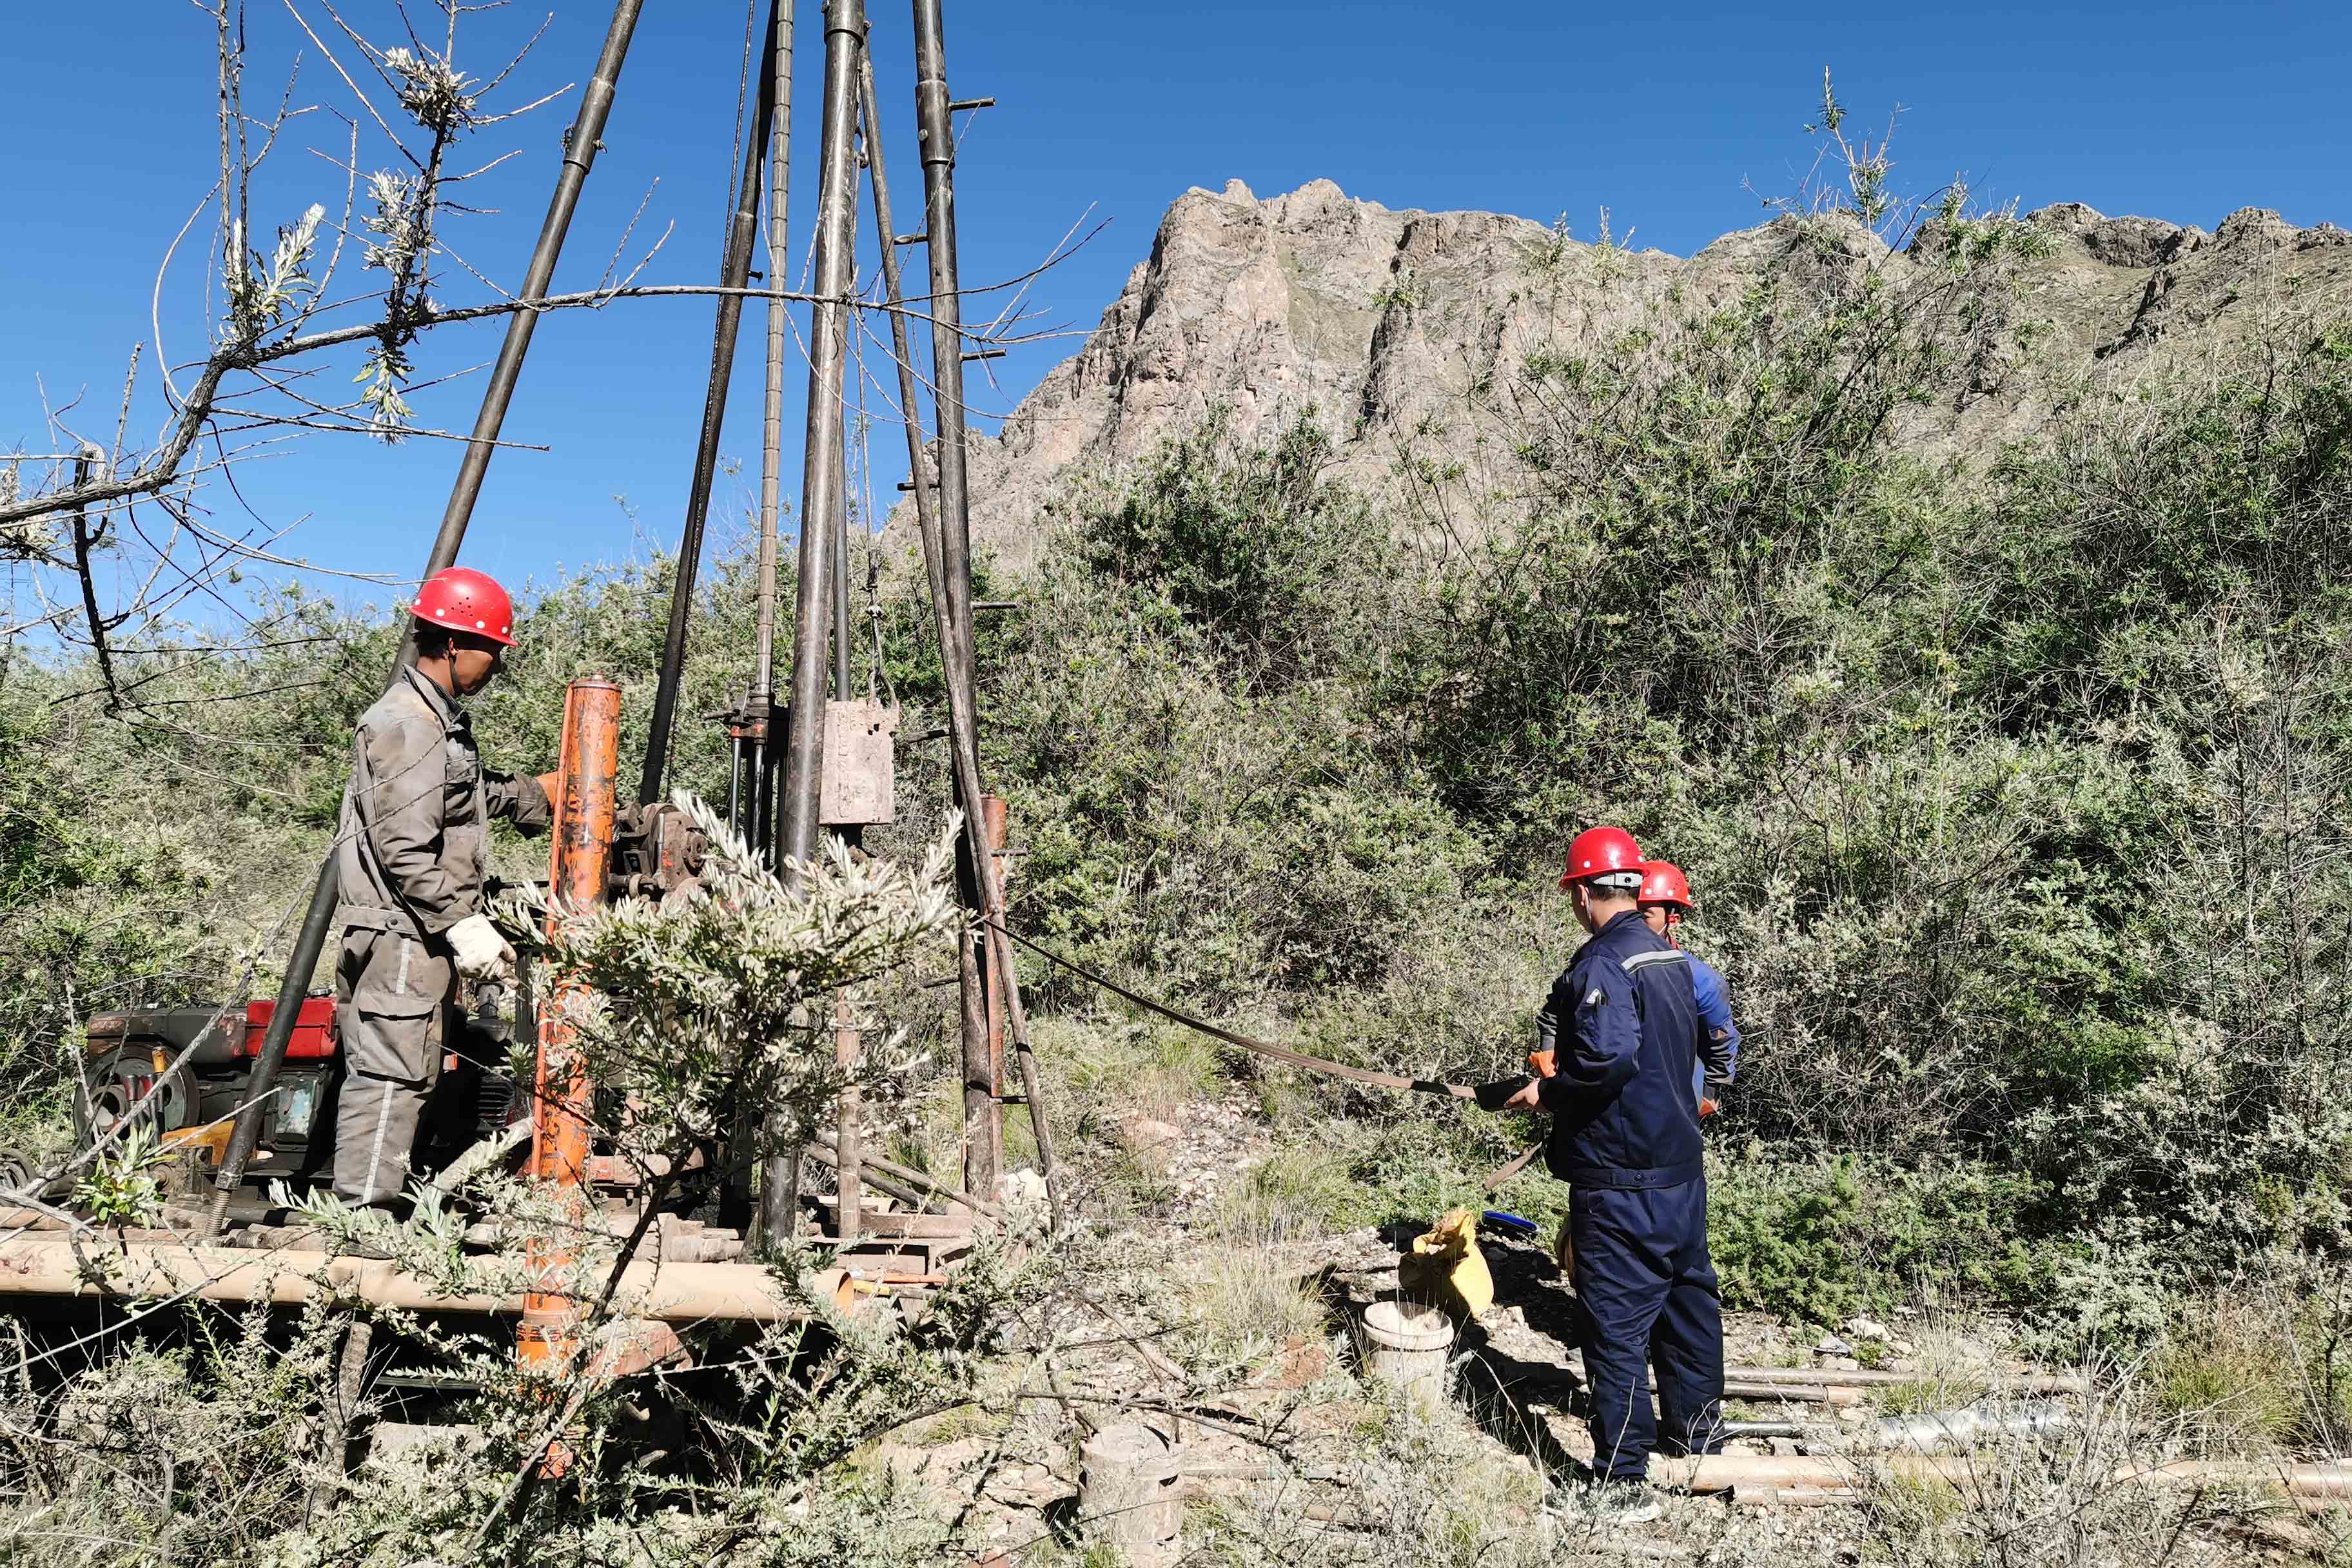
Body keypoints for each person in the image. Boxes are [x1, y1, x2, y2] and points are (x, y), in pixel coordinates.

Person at [1504, 825, 1725, 1518]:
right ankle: (1697, 1435)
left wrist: (1550, 1090)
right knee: (1688, 1304)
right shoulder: (1667, 957)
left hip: (1622, 1179)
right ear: (1634, 885)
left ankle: (1622, 1479)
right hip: (1680, 1170)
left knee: (1617, 1324)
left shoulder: (1600, 963)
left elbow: (1609, 1058)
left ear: (1580, 892)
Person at [321, 567, 553, 1211]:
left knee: (411, 1070)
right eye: (493, 651)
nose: (497, 666)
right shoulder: (409, 723)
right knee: (392, 1075)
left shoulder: (431, 720)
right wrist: (459, 919)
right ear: (453, 644)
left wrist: (532, 794)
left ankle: (389, 1203)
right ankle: (362, 1223)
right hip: (403, 934)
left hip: (410, 930)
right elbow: (404, 848)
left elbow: (451, 798)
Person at [1636, 860, 1739, 1115]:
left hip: (1673, 1102)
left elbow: (1721, 1041)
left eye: (1645, 915)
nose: (1635, 924)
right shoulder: (1604, 963)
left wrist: (1709, 1094)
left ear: (1673, 919)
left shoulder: (1700, 980)